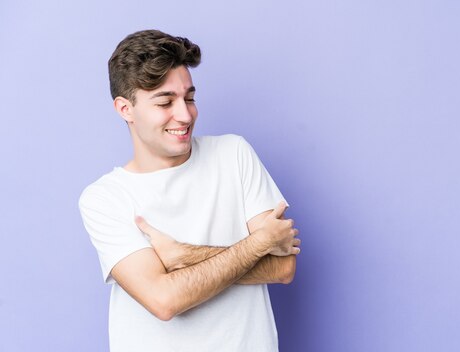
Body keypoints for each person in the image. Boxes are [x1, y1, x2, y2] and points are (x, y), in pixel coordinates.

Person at [78, 29, 300, 352]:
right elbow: (165, 300)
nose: (185, 114)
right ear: (125, 109)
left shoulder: (234, 155)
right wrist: (259, 243)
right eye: (165, 101)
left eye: (189, 98)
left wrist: (185, 256)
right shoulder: (105, 198)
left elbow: (283, 268)